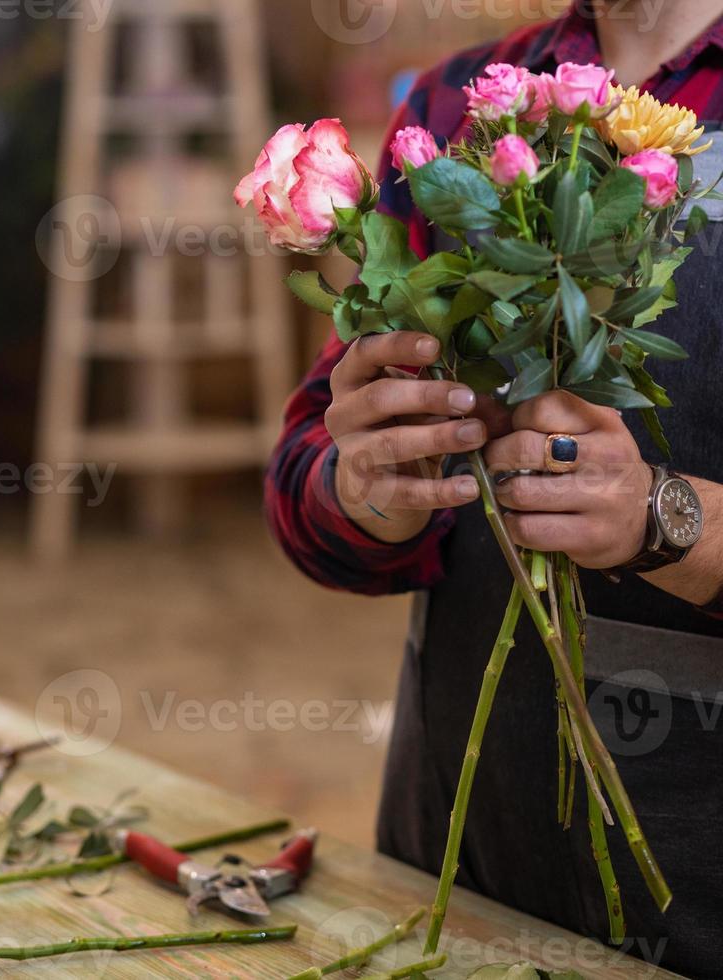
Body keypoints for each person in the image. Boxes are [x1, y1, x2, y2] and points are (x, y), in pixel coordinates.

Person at [265, 1, 723, 975]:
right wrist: (366, 493)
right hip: (453, 854)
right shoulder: (453, 102)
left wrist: (668, 519)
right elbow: (303, 476)